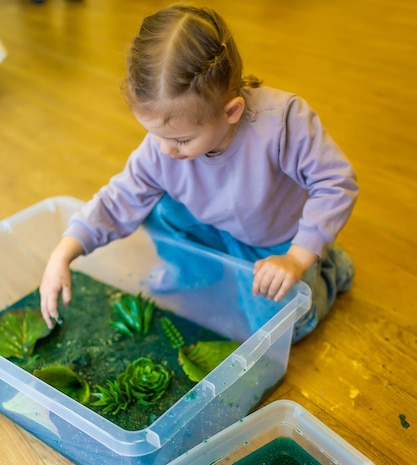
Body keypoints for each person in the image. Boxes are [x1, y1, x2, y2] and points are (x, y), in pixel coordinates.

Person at [40, 4, 358, 342]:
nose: (164, 150)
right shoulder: (165, 145)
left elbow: (335, 182)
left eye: (180, 139)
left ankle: (329, 268)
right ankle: (198, 271)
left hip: (273, 242)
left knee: (284, 330)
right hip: (220, 223)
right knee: (151, 203)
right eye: (155, 135)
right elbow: (121, 197)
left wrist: (297, 258)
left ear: (231, 111)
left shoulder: (282, 122)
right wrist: (64, 252)